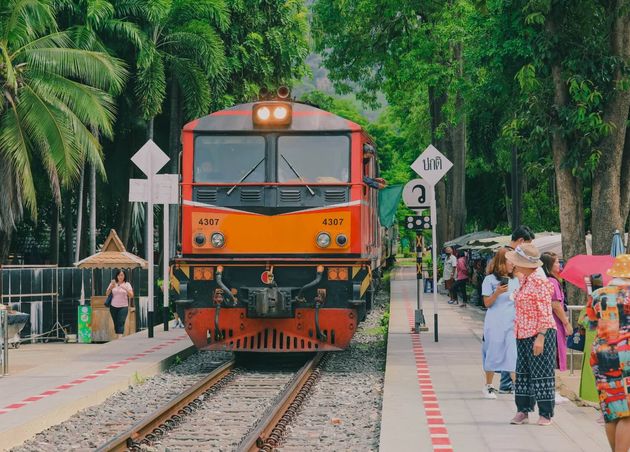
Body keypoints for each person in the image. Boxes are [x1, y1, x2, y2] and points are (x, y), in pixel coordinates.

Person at [506, 244, 557, 426]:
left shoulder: (539, 281)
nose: (513, 265)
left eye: (516, 262)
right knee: (523, 372)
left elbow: (544, 311)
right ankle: (523, 410)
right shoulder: (524, 279)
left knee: (541, 372)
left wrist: (541, 337)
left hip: (539, 332)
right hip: (522, 332)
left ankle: (545, 413)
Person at [584, 254, 630, 452]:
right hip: (627, 354)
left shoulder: (597, 294)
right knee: (627, 413)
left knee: (611, 410)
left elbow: (591, 323)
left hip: (602, 355)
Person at [481, 248, 518, 399]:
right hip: (495, 322)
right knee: (493, 351)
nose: (513, 264)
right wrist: (496, 293)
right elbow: (487, 303)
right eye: (511, 260)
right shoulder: (489, 280)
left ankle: (517, 386)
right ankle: (488, 385)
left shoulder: (516, 280)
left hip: (512, 322)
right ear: (502, 262)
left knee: (513, 353)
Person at [541, 252, 573, 404]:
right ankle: (551, 391)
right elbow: (555, 305)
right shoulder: (552, 282)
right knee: (552, 356)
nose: (559, 265)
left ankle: (551, 390)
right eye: (556, 263)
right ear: (549, 265)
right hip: (554, 323)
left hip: (551, 323)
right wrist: (566, 322)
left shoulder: (551, 281)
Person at [105, 269, 134, 339]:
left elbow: (131, 295)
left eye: (122, 275)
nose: (120, 277)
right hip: (113, 306)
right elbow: (107, 293)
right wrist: (111, 287)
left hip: (123, 307)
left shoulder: (127, 284)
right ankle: (118, 334)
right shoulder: (113, 284)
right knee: (116, 322)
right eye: (119, 275)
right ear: (117, 276)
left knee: (121, 322)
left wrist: (125, 289)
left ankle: (119, 338)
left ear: (124, 276)